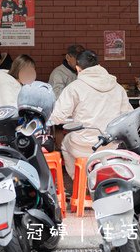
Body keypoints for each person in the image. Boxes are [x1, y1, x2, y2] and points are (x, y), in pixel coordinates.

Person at [48, 50, 131, 178]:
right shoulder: (117, 87)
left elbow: (57, 117)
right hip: (109, 145)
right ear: (99, 65)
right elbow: (128, 116)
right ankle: (101, 179)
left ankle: (80, 181)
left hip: (82, 145)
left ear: (78, 68)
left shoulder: (74, 87)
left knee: (65, 143)